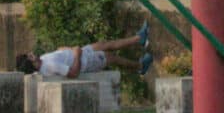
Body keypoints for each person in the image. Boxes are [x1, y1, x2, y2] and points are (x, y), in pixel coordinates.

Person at [15, 34, 145, 80]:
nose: (32, 53)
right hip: (86, 61)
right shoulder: (49, 67)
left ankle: (139, 38)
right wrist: (77, 54)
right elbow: (73, 73)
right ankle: (140, 66)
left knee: (107, 44)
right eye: (30, 55)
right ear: (31, 62)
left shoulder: (43, 59)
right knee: (113, 58)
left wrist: (68, 49)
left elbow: (59, 52)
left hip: (81, 52)